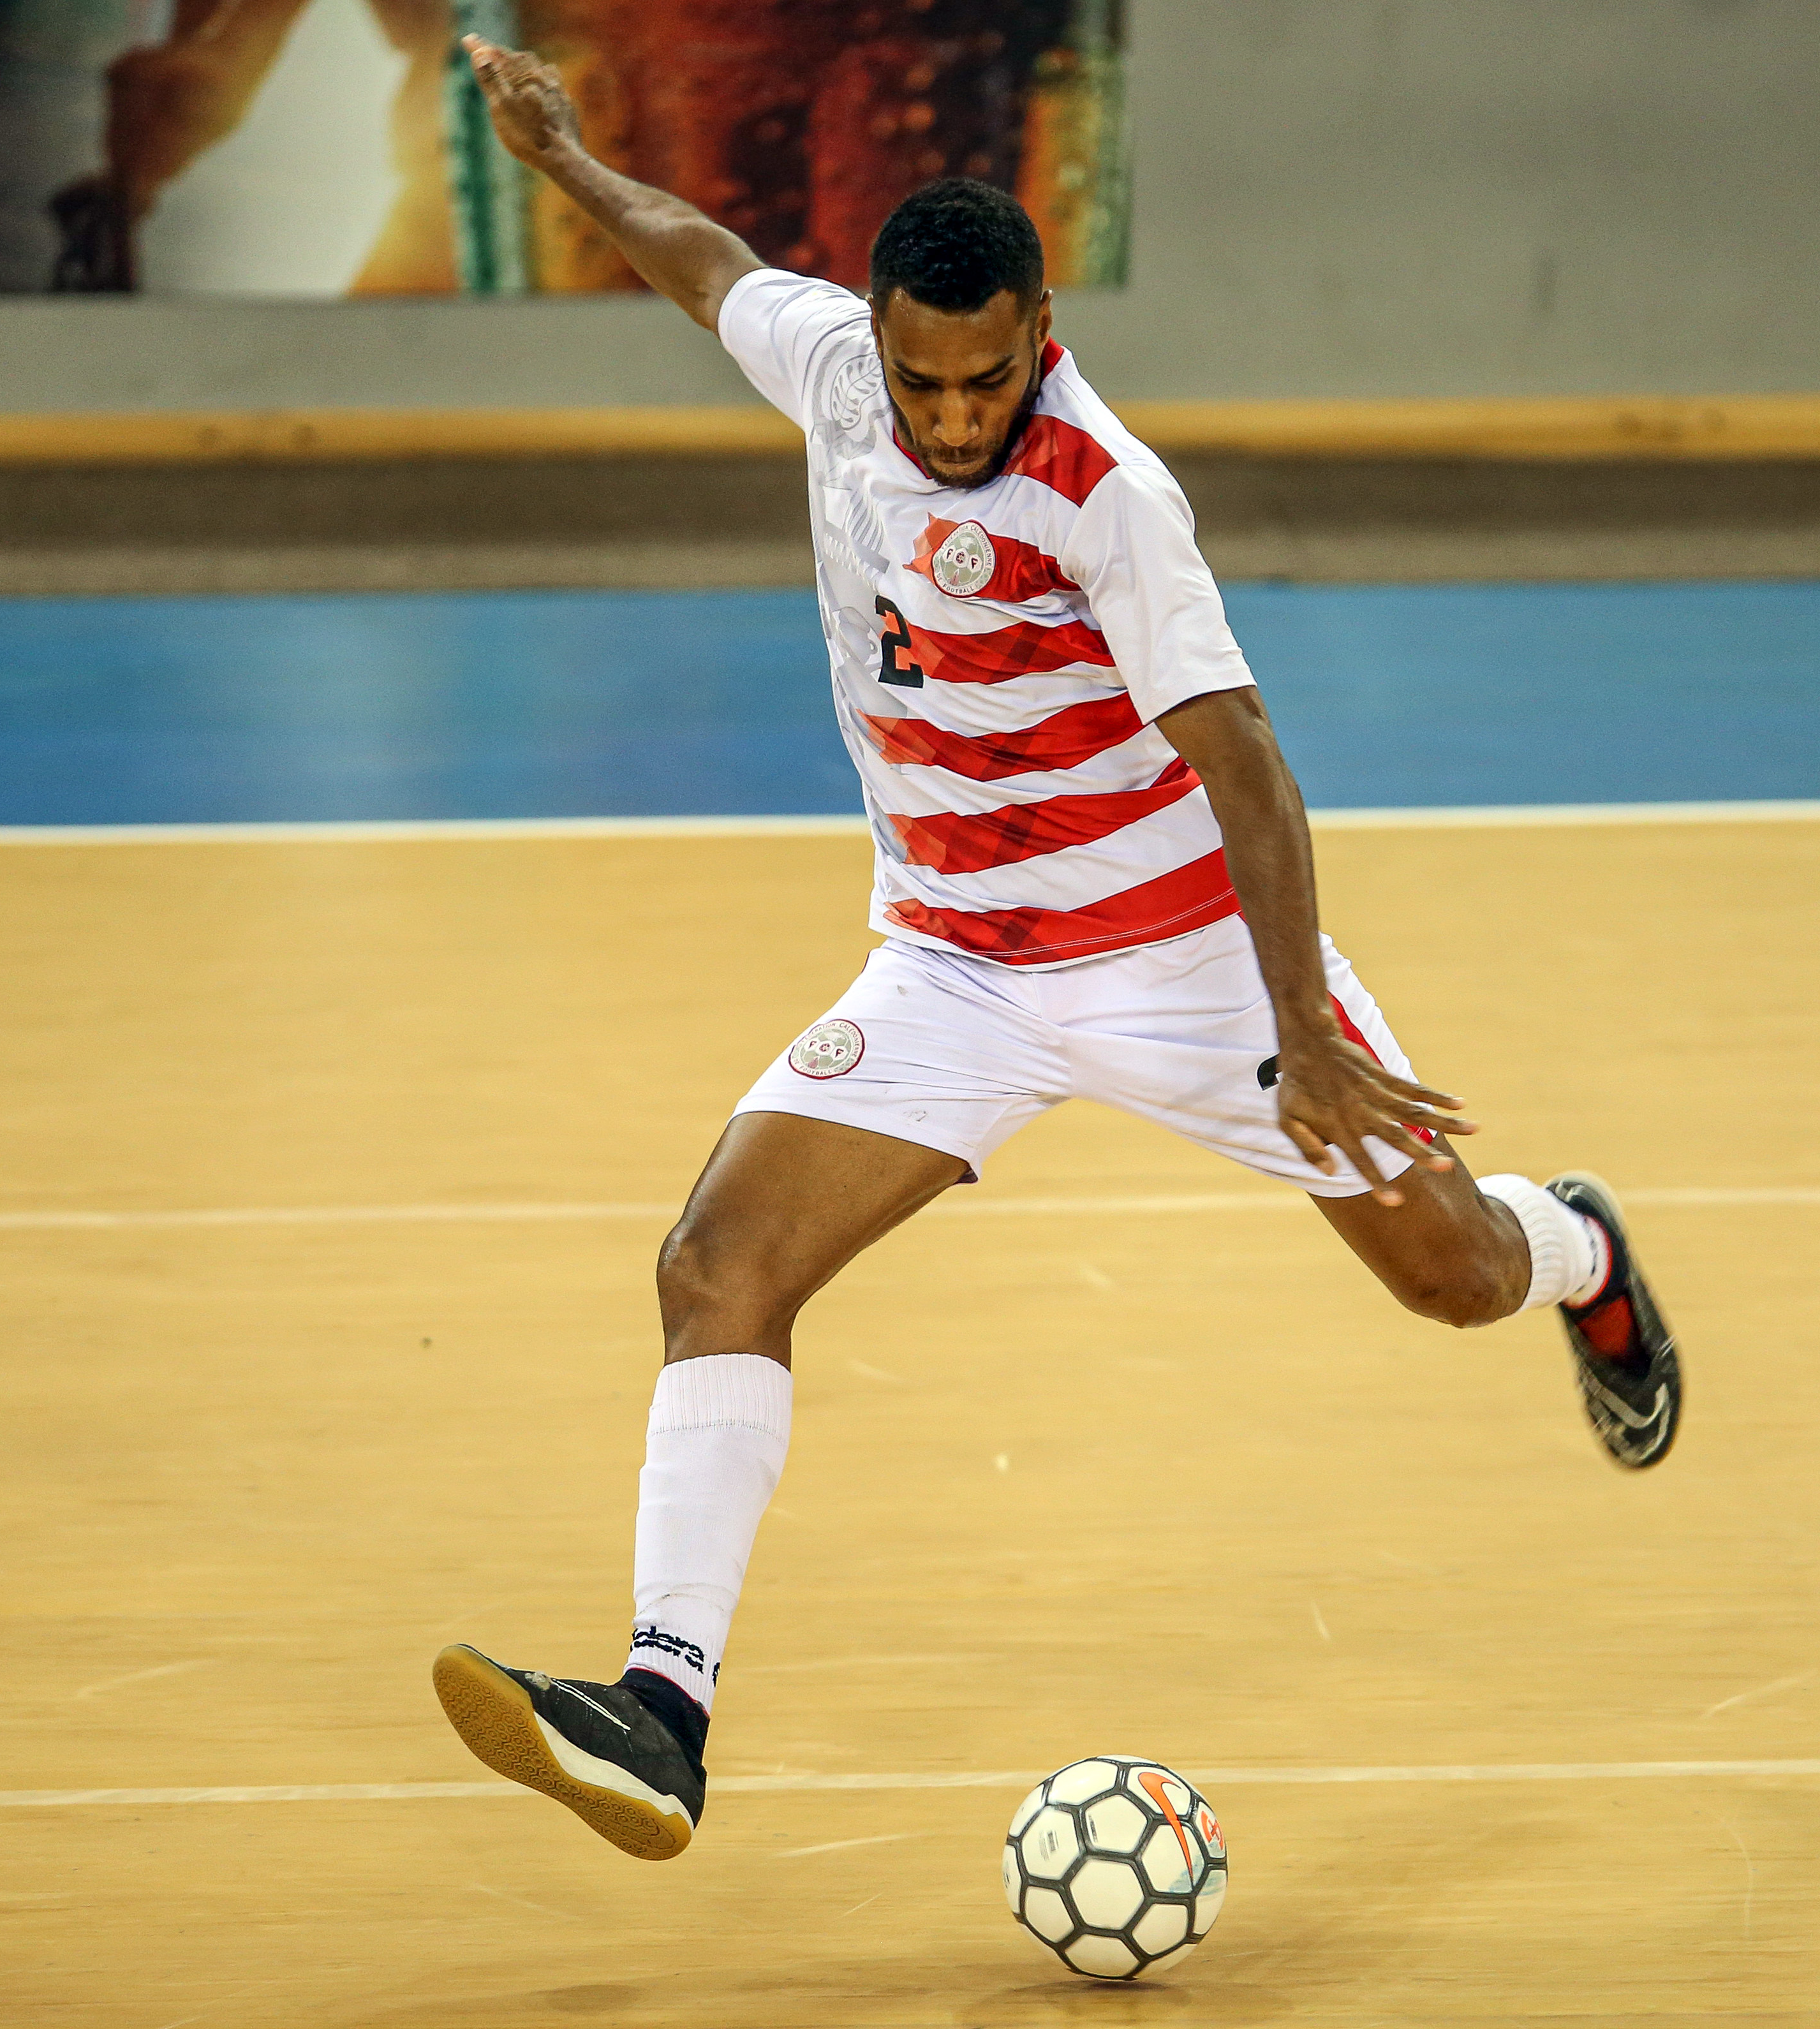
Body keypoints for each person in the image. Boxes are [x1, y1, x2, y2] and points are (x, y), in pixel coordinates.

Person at [429, 33, 1683, 1864]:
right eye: (923, 383)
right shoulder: (840, 380)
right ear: (877, 339)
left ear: (1038, 333)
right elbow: (697, 257)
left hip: (1190, 963)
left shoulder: (1104, 493)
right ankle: (665, 1708)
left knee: (1447, 1276)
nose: (951, 420)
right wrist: (560, 158)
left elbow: (1241, 758)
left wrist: (1301, 1031)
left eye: (987, 378)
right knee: (716, 1271)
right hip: (951, 966)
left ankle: (1582, 1252)